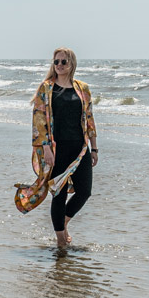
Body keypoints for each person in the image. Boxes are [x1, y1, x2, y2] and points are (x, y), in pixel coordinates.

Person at [23, 47, 98, 250]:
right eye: (56, 61)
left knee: (84, 192)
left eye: (64, 61)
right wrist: (46, 148)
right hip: (56, 149)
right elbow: (39, 120)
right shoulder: (46, 88)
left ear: (72, 64)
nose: (59, 65)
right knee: (59, 193)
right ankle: (60, 240)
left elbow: (89, 119)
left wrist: (94, 148)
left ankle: (63, 222)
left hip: (80, 148)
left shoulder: (82, 88)